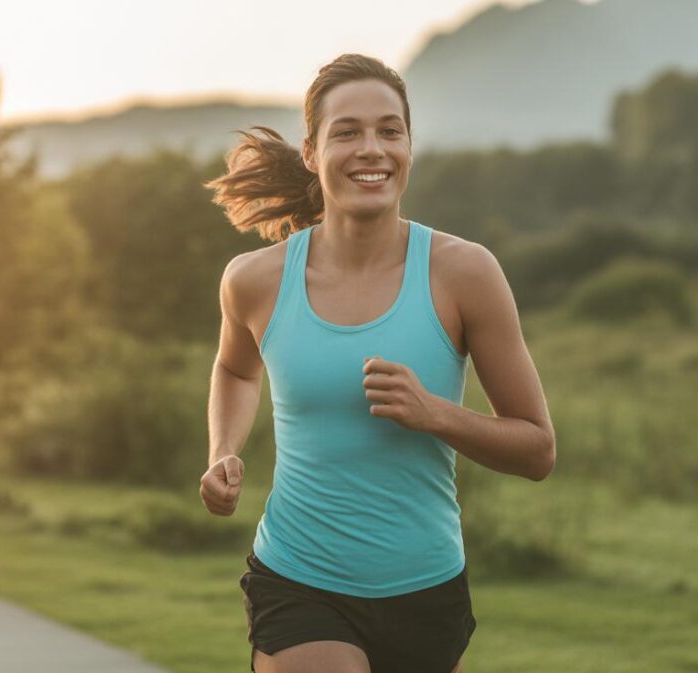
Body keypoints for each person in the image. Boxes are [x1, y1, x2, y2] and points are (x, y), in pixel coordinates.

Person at [199, 53, 556, 673]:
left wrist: (436, 414)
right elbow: (235, 369)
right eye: (347, 132)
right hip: (299, 578)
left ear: (409, 147)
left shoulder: (464, 273)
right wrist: (222, 450)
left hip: (428, 589)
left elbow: (537, 450)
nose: (372, 148)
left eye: (390, 130)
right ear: (311, 153)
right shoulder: (255, 280)